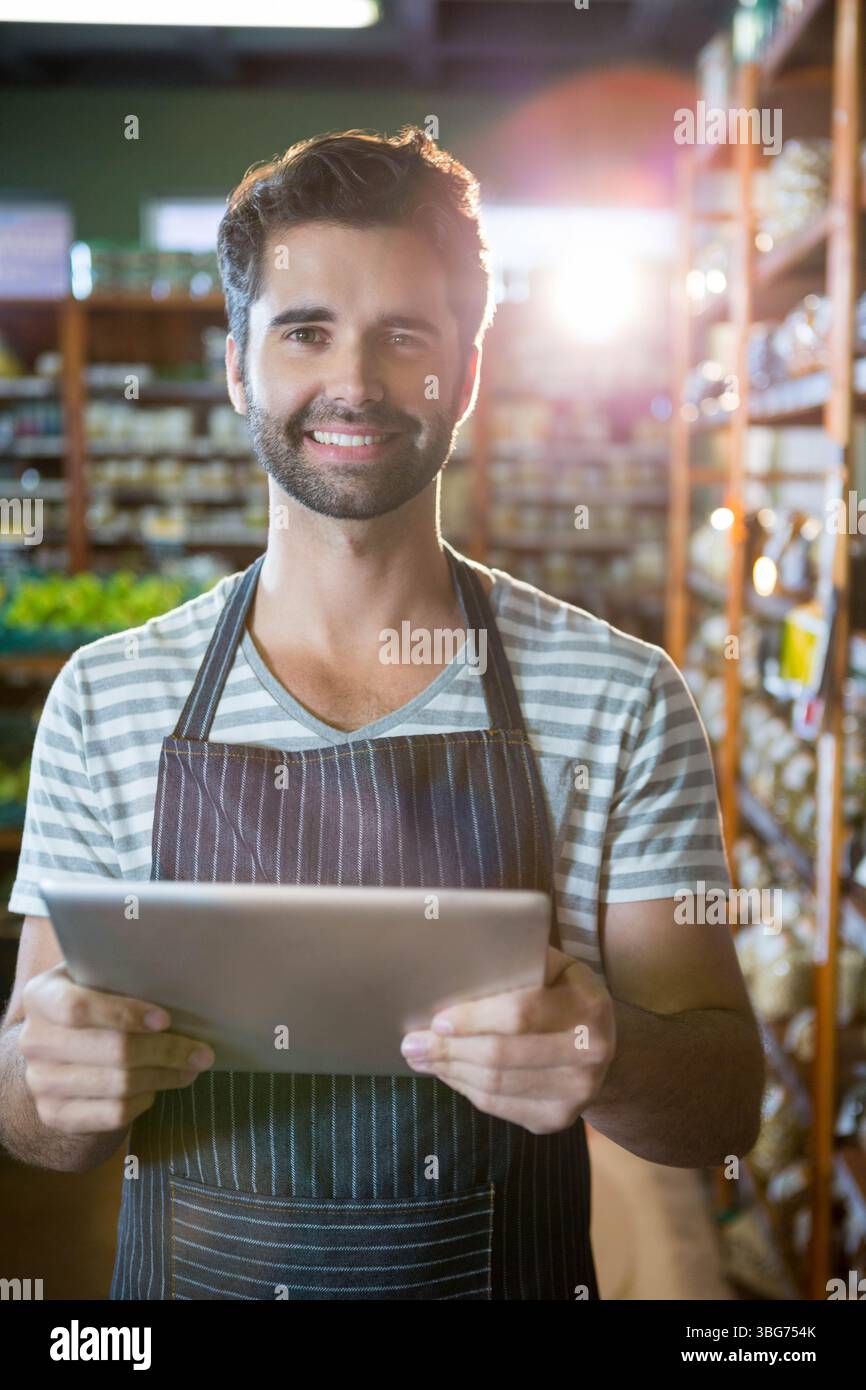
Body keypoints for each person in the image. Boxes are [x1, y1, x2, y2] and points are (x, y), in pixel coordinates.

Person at [0, 126, 763, 1301]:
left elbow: (721, 1102)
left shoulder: (619, 698)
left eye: (401, 335)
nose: (351, 383)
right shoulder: (106, 699)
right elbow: (30, 1110)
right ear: (239, 369)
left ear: (464, 372)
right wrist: (53, 1081)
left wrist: (605, 1054)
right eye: (305, 330)